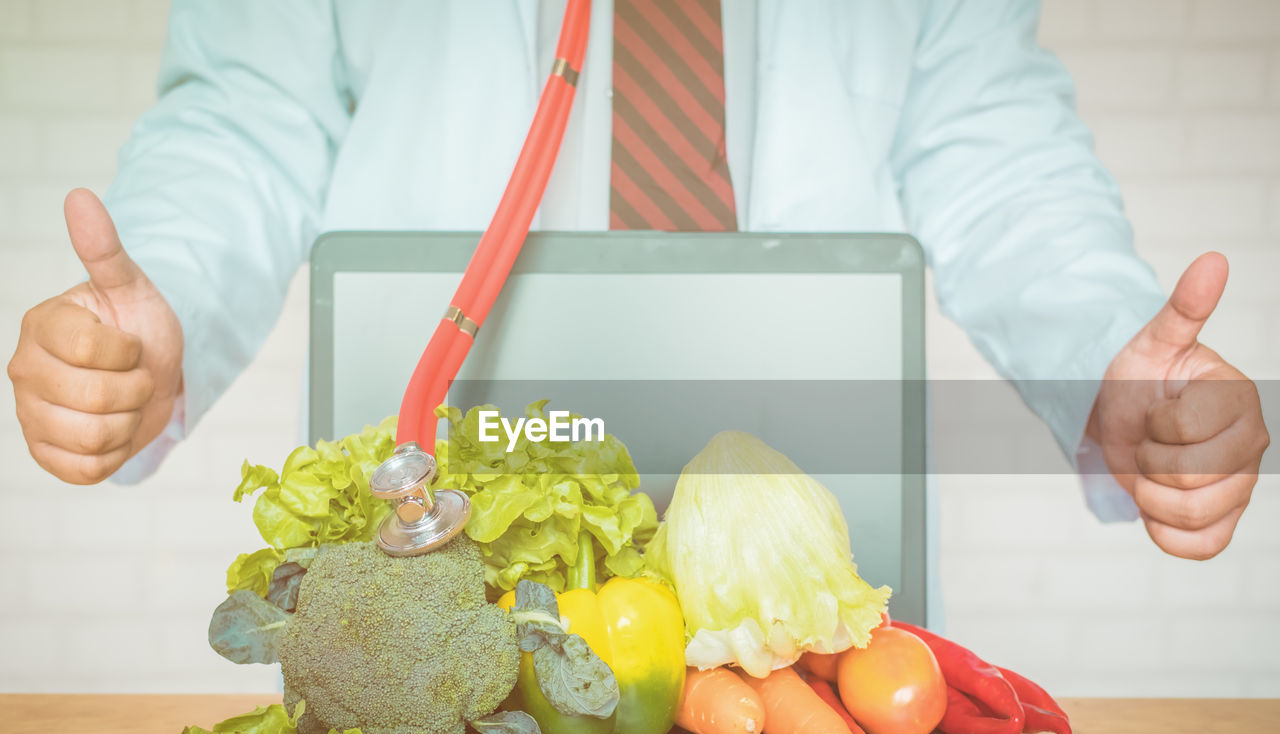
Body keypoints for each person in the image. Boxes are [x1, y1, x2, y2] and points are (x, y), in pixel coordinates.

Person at [6, 1, 1269, 562]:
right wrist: (158, 291)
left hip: (798, 540)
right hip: (445, 518)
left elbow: (998, 160)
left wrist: (1103, 356)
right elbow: (246, 118)